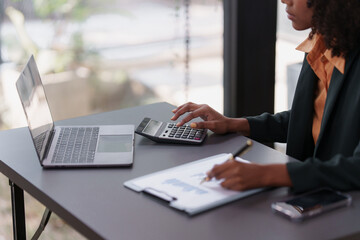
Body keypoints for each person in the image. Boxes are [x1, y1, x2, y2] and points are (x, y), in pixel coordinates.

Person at [171, 0, 360, 193]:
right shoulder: (322, 43)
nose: (285, 1)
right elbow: (308, 120)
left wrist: (266, 174)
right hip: (316, 198)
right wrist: (232, 124)